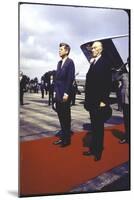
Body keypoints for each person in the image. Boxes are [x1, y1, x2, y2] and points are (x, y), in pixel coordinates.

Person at [83, 41, 112, 161]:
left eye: (94, 48)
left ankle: (98, 152)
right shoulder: (93, 63)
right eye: (92, 48)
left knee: (99, 128)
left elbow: (107, 83)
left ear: (100, 49)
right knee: (94, 127)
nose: (92, 50)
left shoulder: (105, 63)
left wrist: (104, 100)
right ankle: (93, 149)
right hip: (91, 101)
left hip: (99, 102)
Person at [53, 43, 75, 147]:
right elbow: (57, 80)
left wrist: (66, 93)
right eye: (59, 49)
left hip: (65, 95)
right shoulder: (59, 63)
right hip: (58, 94)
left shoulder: (70, 62)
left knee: (66, 117)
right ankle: (62, 137)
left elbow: (69, 79)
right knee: (60, 116)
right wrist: (54, 92)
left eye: (61, 49)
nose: (59, 51)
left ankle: (66, 140)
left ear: (67, 51)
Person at [117, 58, 129, 144]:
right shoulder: (124, 74)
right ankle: (127, 137)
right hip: (125, 100)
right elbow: (114, 78)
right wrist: (121, 68)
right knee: (127, 119)